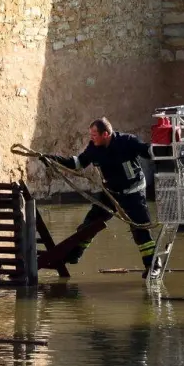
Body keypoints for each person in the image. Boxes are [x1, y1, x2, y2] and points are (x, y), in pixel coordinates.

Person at [40, 118, 158, 278]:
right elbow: (78, 163)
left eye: (94, 134)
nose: (92, 137)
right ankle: (74, 255)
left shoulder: (127, 142)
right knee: (90, 224)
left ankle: (152, 265)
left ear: (106, 134)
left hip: (133, 193)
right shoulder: (94, 147)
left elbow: (148, 151)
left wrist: (165, 150)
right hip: (110, 194)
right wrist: (51, 159)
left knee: (140, 229)